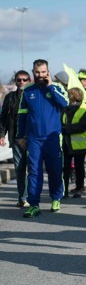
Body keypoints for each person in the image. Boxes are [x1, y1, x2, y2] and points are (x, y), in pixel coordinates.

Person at [17, 59, 69, 218]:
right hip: (34, 139)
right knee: (34, 172)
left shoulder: (56, 87)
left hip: (52, 138)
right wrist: (20, 137)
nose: (40, 75)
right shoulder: (27, 91)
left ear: (48, 72)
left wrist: (50, 86)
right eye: (37, 72)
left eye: (43, 72)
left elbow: (65, 103)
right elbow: (22, 116)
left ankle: (56, 198)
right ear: (33, 72)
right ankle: (33, 204)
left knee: (54, 170)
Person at [0, 70, 31, 207]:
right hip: (16, 138)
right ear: (15, 81)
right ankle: (22, 197)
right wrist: (1, 134)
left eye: (25, 79)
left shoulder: (33, 95)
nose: (22, 82)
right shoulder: (10, 97)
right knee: (19, 169)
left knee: (33, 169)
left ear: (29, 80)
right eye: (19, 80)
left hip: (32, 138)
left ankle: (32, 196)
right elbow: (3, 118)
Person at [61, 88, 86, 198]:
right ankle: (63, 189)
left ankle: (79, 188)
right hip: (66, 142)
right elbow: (61, 121)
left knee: (79, 167)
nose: (67, 96)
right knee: (65, 167)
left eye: (69, 94)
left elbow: (84, 125)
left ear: (73, 96)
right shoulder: (65, 108)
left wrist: (67, 129)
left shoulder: (85, 108)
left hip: (79, 144)